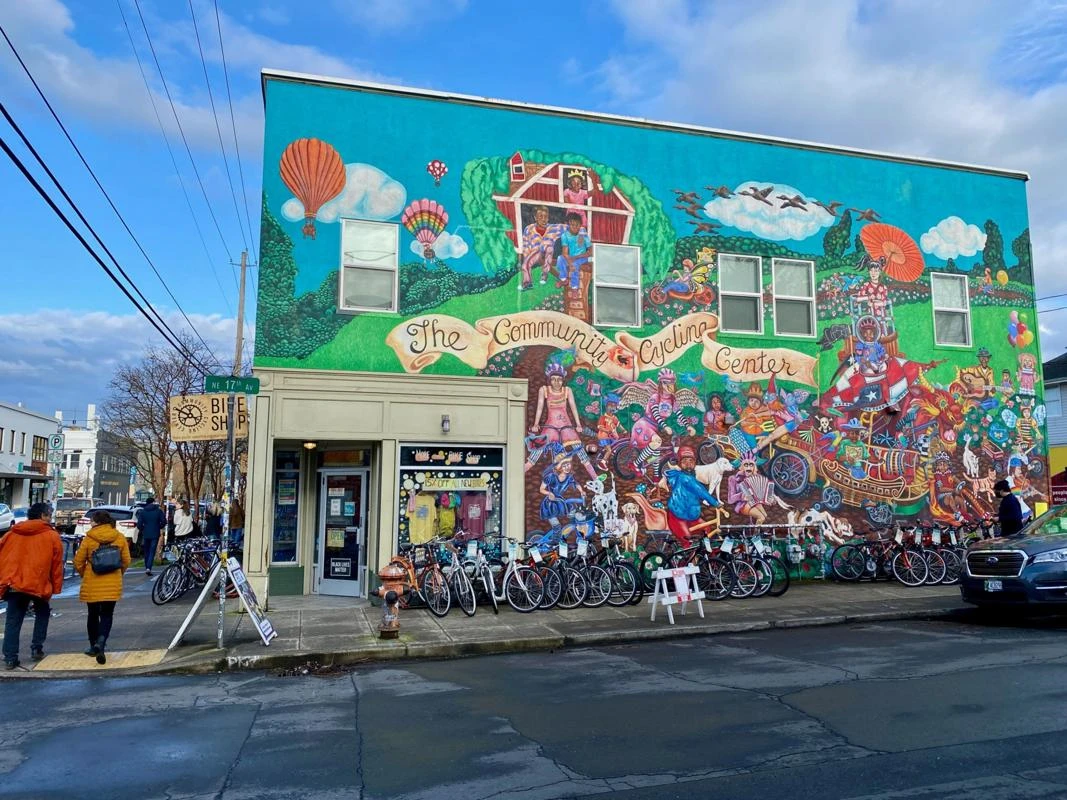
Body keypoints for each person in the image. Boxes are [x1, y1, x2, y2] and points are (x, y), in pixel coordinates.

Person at [0, 502, 64, 669]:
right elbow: (56, 564)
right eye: (49, 515)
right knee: (42, 614)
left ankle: (10, 657)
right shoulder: (51, 536)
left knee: (13, 621)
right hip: (38, 583)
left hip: (14, 583)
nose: (50, 518)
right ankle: (36, 647)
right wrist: (55, 587)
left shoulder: (12, 534)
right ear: (42, 516)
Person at [73, 510, 131, 664]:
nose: (90, 523)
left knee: (92, 614)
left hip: (92, 582)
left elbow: (78, 561)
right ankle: (101, 641)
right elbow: (126, 560)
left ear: (97, 522)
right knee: (107, 614)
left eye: (92, 521)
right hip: (112, 582)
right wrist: (118, 573)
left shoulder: (89, 538)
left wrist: (84, 574)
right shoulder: (119, 537)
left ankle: (94, 645)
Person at [660, 446, 724, 548]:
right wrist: (716, 503)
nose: (688, 463)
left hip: (692, 517)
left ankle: (705, 554)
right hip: (677, 517)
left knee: (706, 529)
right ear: (679, 463)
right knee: (687, 541)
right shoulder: (685, 478)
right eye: (684, 461)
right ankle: (685, 558)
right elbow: (701, 492)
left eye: (691, 460)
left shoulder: (691, 476)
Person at [555, 212, 591, 291]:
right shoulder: (565, 235)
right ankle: (564, 279)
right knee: (560, 258)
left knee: (575, 265)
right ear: (568, 225)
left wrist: (576, 257)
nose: (575, 227)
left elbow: (590, 250)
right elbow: (565, 253)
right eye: (572, 225)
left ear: (580, 225)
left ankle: (574, 287)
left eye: (577, 225)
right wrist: (570, 261)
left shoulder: (582, 233)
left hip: (582, 257)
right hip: (571, 257)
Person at [135, 496, 167, 577]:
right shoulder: (158, 511)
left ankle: (147, 567)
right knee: (152, 551)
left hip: (146, 533)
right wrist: (159, 526)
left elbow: (139, 524)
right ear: (153, 502)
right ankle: (149, 567)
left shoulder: (143, 512)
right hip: (155, 533)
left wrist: (143, 529)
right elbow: (164, 521)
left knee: (146, 551)